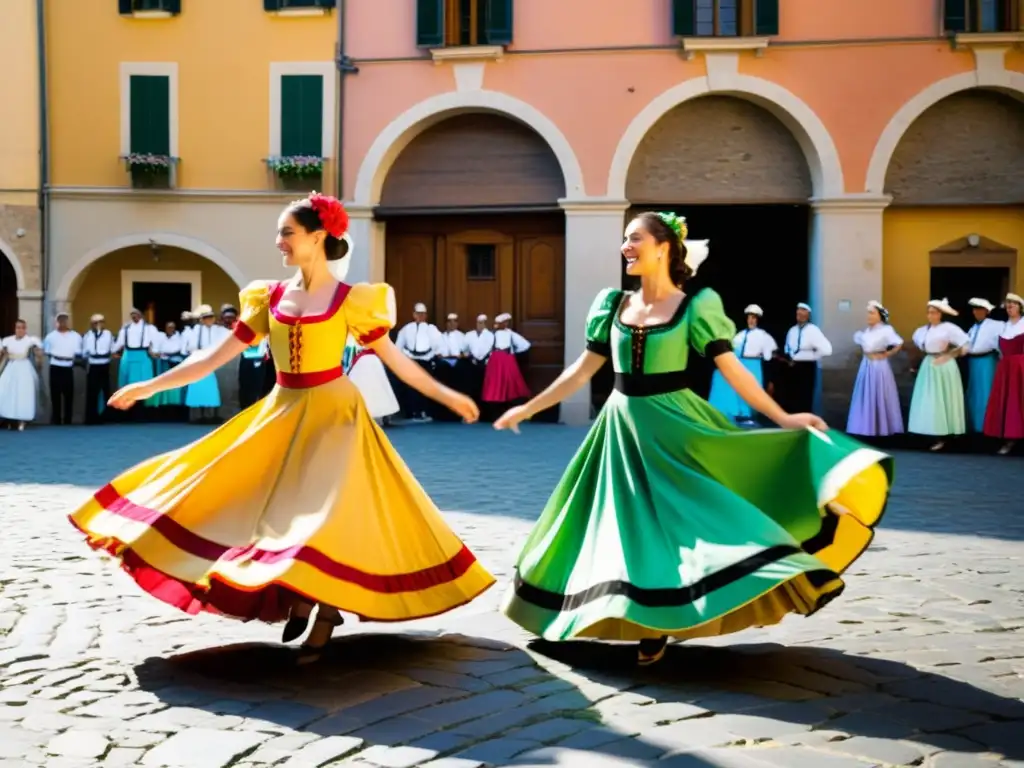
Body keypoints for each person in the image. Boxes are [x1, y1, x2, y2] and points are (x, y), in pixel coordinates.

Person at [69, 193, 492, 663]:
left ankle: (325, 607)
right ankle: (302, 593)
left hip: (337, 416)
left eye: (287, 233)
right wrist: (150, 385)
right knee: (253, 497)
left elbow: (399, 363)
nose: (279, 242)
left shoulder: (354, 301)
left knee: (326, 512)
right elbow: (211, 358)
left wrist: (448, 396)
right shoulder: (267, 298)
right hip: (283, 410)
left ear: (317, 236)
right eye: (279, 233)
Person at [494, 211, 892, 666]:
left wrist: (782, 416)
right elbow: (582, 371)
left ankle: (658, 624)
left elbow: (734, 371)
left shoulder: (695, 306)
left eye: (635, 238)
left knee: (680, 522)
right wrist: (528, 407)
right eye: (624, 239)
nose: (625, 246)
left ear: (663, 247)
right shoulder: (611, 304)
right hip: (620, 428)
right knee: (614, 526)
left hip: (674, 425)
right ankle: (591, 614)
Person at [907, 298, 969, 452]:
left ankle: (945, 435)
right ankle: (930, 432)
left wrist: (950, 355)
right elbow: (918, 348)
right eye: (929, 312)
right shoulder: (922, 331)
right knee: (929, 399)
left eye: (934, 312)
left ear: (940, 314)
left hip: (944, 365)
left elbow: (966, 345)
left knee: (943, 398)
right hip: (928, 364)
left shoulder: (949, 328)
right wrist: (914, 365)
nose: (931, 315)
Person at [708, 302, 776, 426]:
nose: (751, 320)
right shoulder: (739, 335)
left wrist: (770, 377)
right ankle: (738, 414)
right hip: (741, 362)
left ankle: (749, 415)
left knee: (753, 388)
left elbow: (768, 357)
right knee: (738, 387)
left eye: (754, 317)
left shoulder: (763, 336)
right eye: (749, 317)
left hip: (754, 363)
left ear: (758, 319)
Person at [846, 301, 904, 438]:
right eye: (868, 313)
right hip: (866, 365)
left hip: (879, 366)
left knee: (879, 394)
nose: (869, 316)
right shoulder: (866, 331)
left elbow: (898, 343)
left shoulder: (886, 330)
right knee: (866, 394)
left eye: (872, 313)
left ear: (879, 315)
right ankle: (866, 428)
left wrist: (887, 354)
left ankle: (881, 428)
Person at [982, 292, 1024, 455]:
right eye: (1008, 305)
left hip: (1020, 366)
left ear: (1020, 307)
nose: (1010, 308)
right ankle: (1009, 438)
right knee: (1008, 402)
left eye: (1013, 305)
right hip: (1005, 367)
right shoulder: (1003, 326)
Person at [777, 303, 832, 415]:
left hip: (806, 367)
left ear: (808, 314)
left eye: (802, 311)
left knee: (804, 397)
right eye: (798, 310)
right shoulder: (792, 330)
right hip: (792, 366)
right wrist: (790, 359)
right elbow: (787, 348)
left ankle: (805, 423)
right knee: (791, 396)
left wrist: (813, 356)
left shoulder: (813, 330)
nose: (799, 313)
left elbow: (827, 349)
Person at [394, 302, 443, 421]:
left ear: (426, 315)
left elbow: (438, 344)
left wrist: (435, 355)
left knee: (425, 388)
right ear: (414, 314)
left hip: (426, 360)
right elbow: (398, 345)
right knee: (411, 388)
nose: (420, 316)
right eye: (418, 314)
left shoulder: (431, 329)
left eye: (423, 314)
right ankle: (413, 412)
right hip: (411, 360)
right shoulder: (406, 328)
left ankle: (424, 411)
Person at [964, 298, 1004, 434]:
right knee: (974, 393)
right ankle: (975, 426)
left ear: (987, 311)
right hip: (973, 361)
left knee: (986, 392)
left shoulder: (996, 325)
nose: (976, 312)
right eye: (974, 309)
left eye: (980, 309)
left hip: (987, 360)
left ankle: (987, 426)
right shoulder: (973, 327)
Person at [481, 313, 531, 419]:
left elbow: (525, 345)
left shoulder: (511, 334)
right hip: (495, 362)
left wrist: (515, 352)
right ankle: (494, 414)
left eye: (506, 322)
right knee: (495, 385)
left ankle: (511, 410)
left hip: (508, 361)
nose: (504, 324)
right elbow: (483, 349)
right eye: (502, 323)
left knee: (511, 384)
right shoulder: (491, 334)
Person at [183, 306, 229, 424]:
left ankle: (210, 415)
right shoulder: (195, 330)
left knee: (211, 389)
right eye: (206, 318)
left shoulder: (218, 329)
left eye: (211, 317)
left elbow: (229, 335)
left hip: (212, 361)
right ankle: (196, 416)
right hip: (198, 360)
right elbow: (189, 347)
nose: (209, 320)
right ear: (202, 319)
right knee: (196, 389)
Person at [344, 335, 400, 424]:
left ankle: (383, 414)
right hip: (362, 360)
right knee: (364, 387)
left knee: (378, 387)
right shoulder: (354, 333)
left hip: (371, 360)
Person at [113, 308, 158, 418]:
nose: (134, 317)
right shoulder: (126, 329)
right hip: (128, 356)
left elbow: (156, 341)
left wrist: (155, 351)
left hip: (142, 356)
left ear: (141, 315)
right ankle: (129, 413)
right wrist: (112, 351)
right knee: (128, 385)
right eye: (132, 315)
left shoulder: (149, 328)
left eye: (136, 314)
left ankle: (143, 412)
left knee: (143, 384)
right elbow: (119, 343)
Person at [0, 319, 43, 431]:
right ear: (15, 329)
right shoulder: (7, 340)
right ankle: (9, 418)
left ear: (25, 329)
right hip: (11, 367)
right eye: (18, 328)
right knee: (6, 390)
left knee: (23, 393)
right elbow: (2, 355)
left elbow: (38, 354)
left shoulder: (30, 340)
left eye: (22, 328)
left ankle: (23, 418)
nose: (20, 330)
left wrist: (38, 358)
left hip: (24, 367)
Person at [43, 312, 82, 426]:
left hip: (68, 365)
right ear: (57, 322)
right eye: (60, 320)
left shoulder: (75, 336)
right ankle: (56, 419)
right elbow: (47, 351)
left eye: (65, 320)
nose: (62, 322)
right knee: (55, 394)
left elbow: (79, 352)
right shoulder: (50, 336)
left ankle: (68, 419)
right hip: (55, 365)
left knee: (69, 394)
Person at [82, 314, 115, 425]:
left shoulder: (108, 334)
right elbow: (84, 351)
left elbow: (112, 348)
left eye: (100, 322)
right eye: (95, 323)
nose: (98, 325)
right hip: (93, 365)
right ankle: (91, 418)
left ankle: (107, 417)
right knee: (92, 392)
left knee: (106, 391)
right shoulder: (88, 336)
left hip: (104, 364)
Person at [153, 320, 187, 421]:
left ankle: (177, 413)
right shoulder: (161, 337)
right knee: (164, 388)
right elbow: (156, 351)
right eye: (168, 327)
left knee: (177, 388)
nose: (170, 329)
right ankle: (165, 412)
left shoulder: (180, 337)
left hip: (176, 364)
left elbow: (182, 350)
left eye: (172, 327)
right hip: (164, 364)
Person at [464, 313, 493, 403]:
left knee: (485, 388)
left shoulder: (491, 335)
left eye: (483, 322)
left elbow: (491, 350)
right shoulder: (469, 335)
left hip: (486, 365)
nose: (480, 325)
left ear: (486, 323)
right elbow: (465, 350)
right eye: (479, 322)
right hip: (472, 364)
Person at [238, 334, 271, 410]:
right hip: (248, 360)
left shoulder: (264, 333)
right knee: (246, 387)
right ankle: (246, 408)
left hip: (258, 360)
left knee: (256, 388)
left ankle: (252, 407)